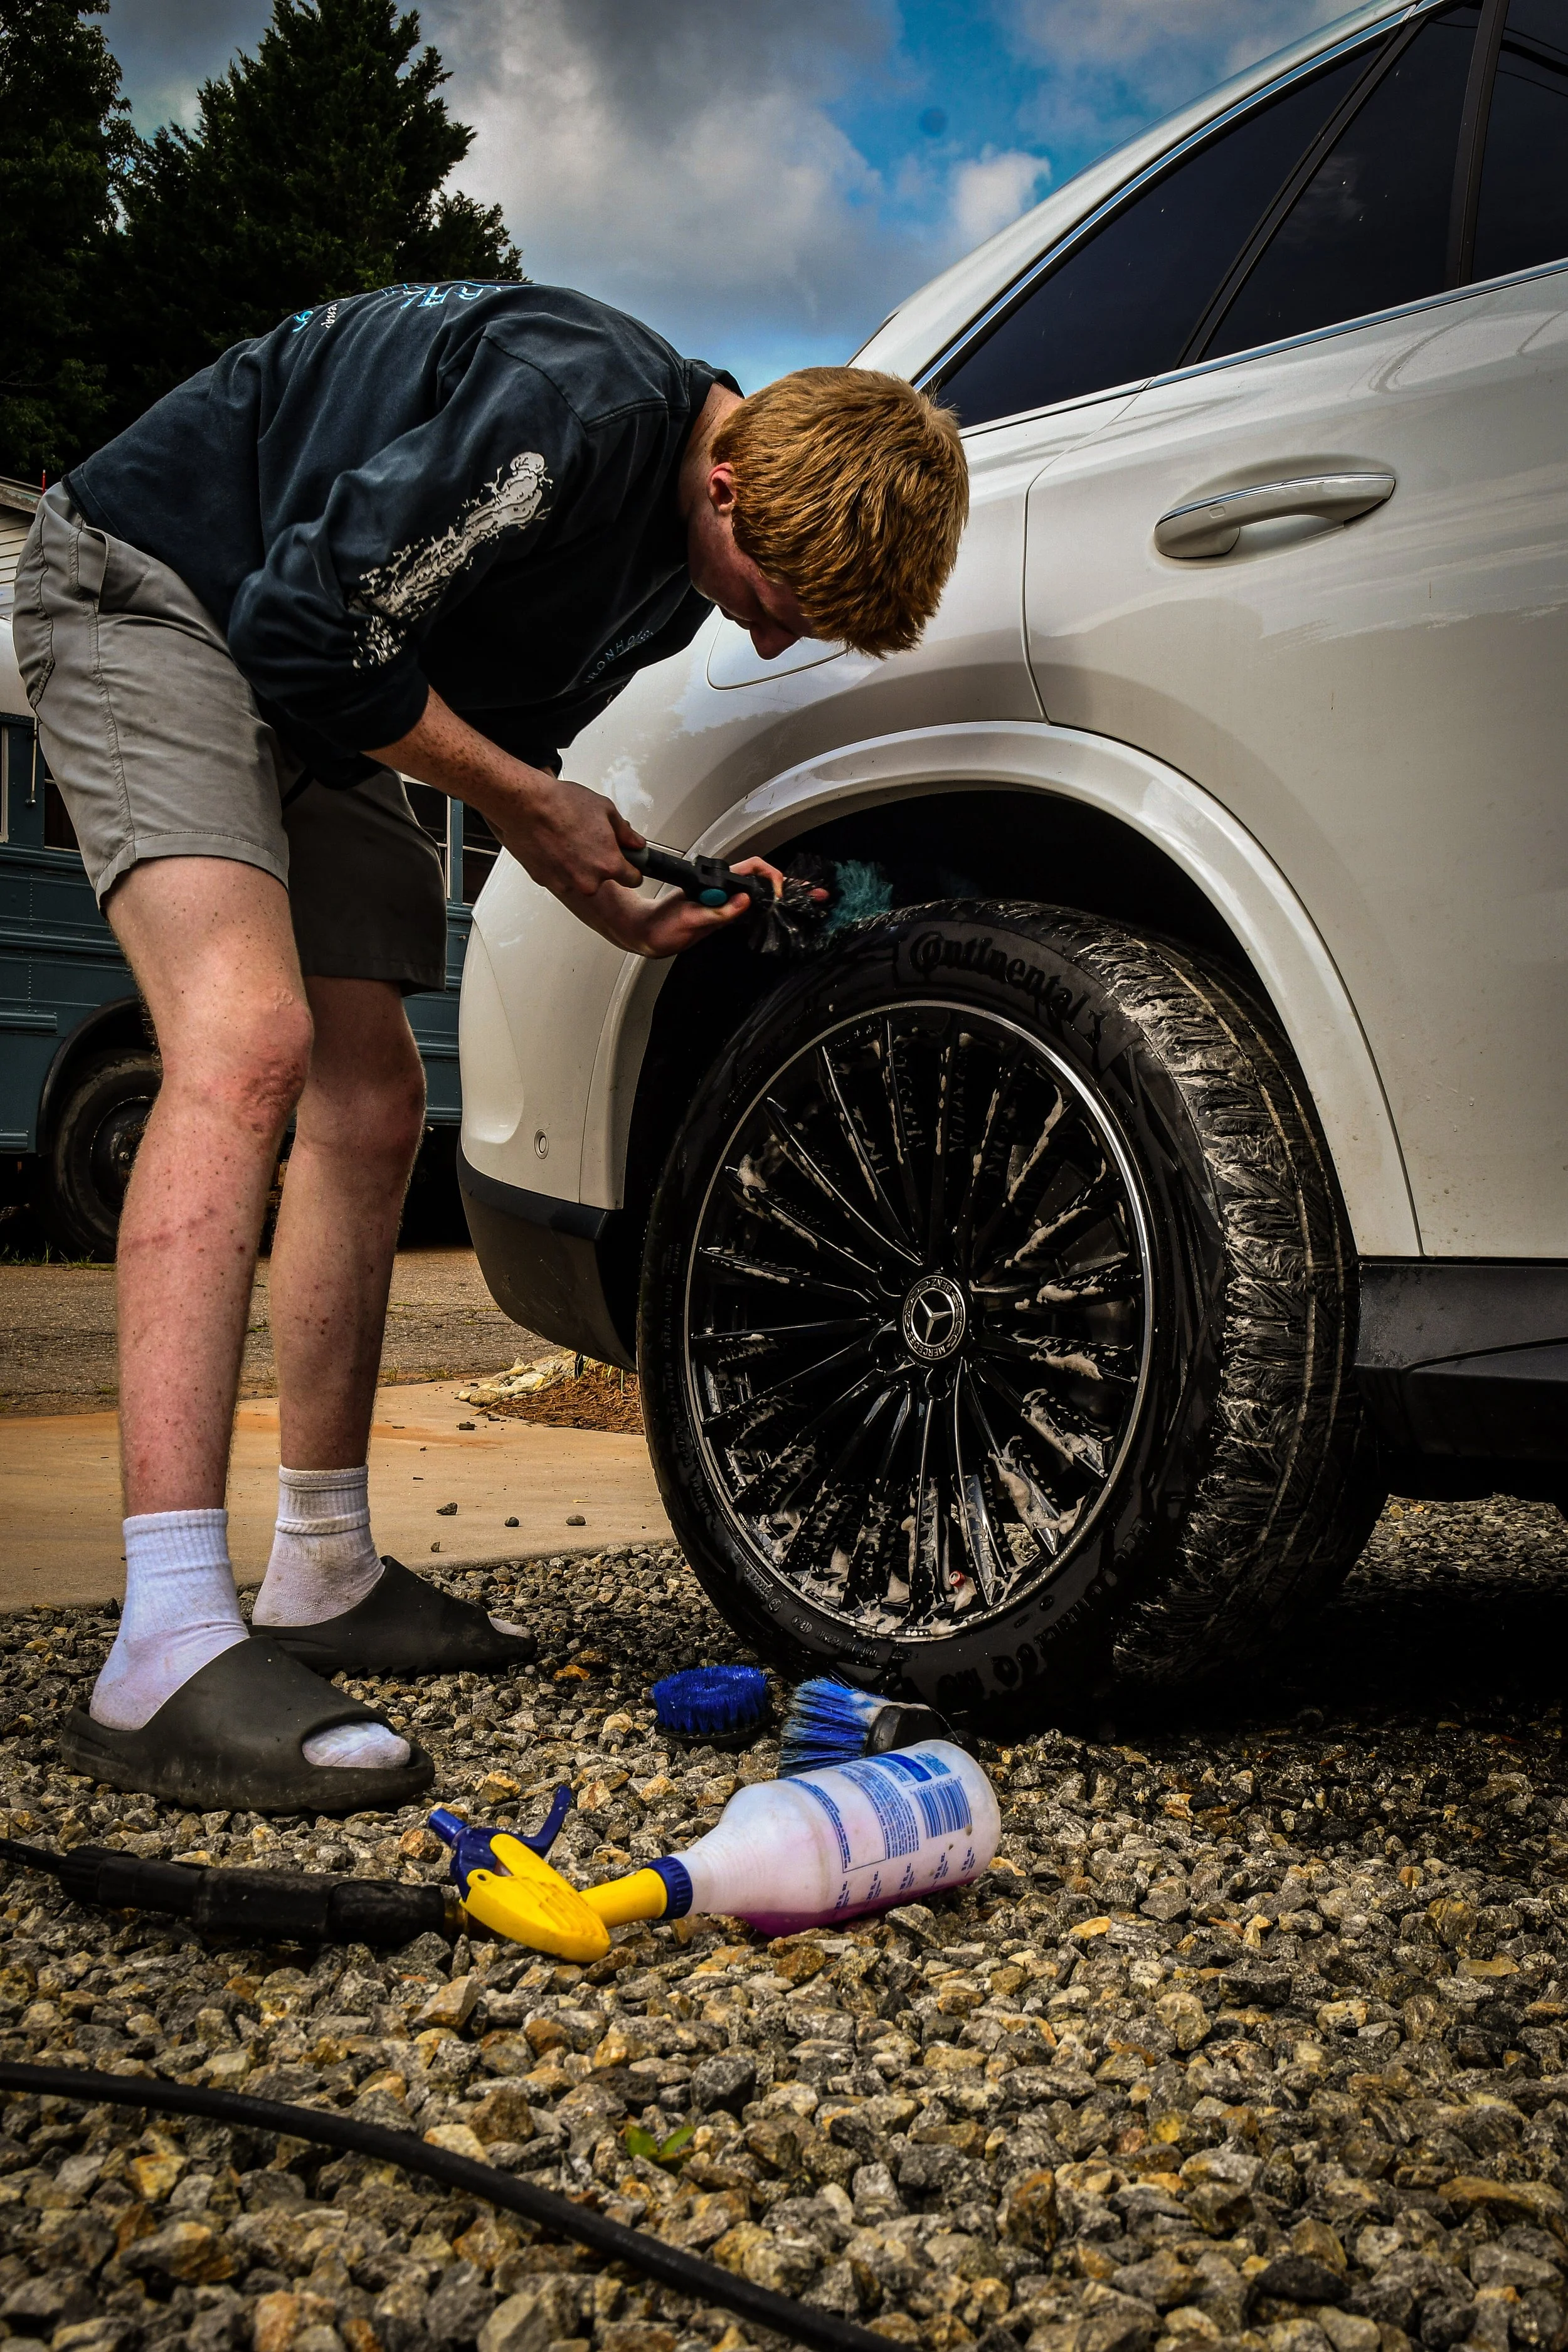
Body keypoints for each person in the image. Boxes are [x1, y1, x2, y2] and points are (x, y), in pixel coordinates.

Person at [11, 279, 969, 1813]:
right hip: (156, 591)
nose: (769, 627)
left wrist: (617, 876)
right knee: (244, 1038)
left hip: (301, 677)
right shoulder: (570, 411)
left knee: (375, 1103)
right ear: (726, 476)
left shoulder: (672, 563)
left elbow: (464, 724)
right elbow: (311, 624)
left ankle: (320, 1569)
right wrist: (528, 808)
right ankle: (163, 1646)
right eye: (772, 586)